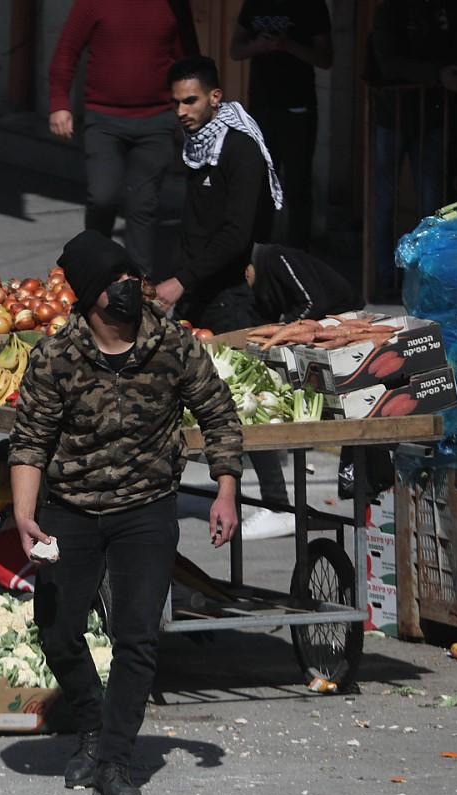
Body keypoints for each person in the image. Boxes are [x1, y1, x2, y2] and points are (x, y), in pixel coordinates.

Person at [10, 229, 243, 795]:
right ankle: (91, 723)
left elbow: (218, 413)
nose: (127, 288)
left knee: (136, 635)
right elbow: (30, 440)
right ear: (90, 295)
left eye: (130, 277)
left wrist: (225, 490)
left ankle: (115, 759)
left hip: (146, 509)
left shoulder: (171, 343)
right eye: (114, 282)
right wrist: (22, 513)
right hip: (72, 511)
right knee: (59, 631)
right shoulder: (57, 355)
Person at [154, 56, 292, 541]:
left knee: (242, 400)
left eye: (189, 100)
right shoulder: (197, 147)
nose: (181, 111)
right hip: (196, 290)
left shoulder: (239, 149)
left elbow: (235, 235)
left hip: (231, 292)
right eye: (175, 102)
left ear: (215, 97)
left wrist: (180, 281)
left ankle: (278, 503)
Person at [48, 0, 198, 277]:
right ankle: (93, 271)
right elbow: (66, 52)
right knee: (102, 197)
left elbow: (187, 62)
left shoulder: (173, 5)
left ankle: (140, 286)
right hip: (104, 120)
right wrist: (59, 103)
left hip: (156, 120)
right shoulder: (91, 3)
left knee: (143, 206)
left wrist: (190, 112)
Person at [366, 0, 457, 302]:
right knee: (384, 201)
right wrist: (436, 74)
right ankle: (385, 278)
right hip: (392, 115)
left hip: (433, 118)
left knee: (432, 205)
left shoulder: (443, 11)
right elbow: (388, 63)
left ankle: (427, 279)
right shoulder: (390, 10)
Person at [231, 0, 333, 250]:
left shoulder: (313, 6)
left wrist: (287, 45)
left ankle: (298, 256)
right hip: (262, 107)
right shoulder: (255, 5)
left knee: (298, 186)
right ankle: (257, 254)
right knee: (261, 185)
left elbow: (325, 58)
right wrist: (259, 45)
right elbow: (235, 50)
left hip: (298, 108)